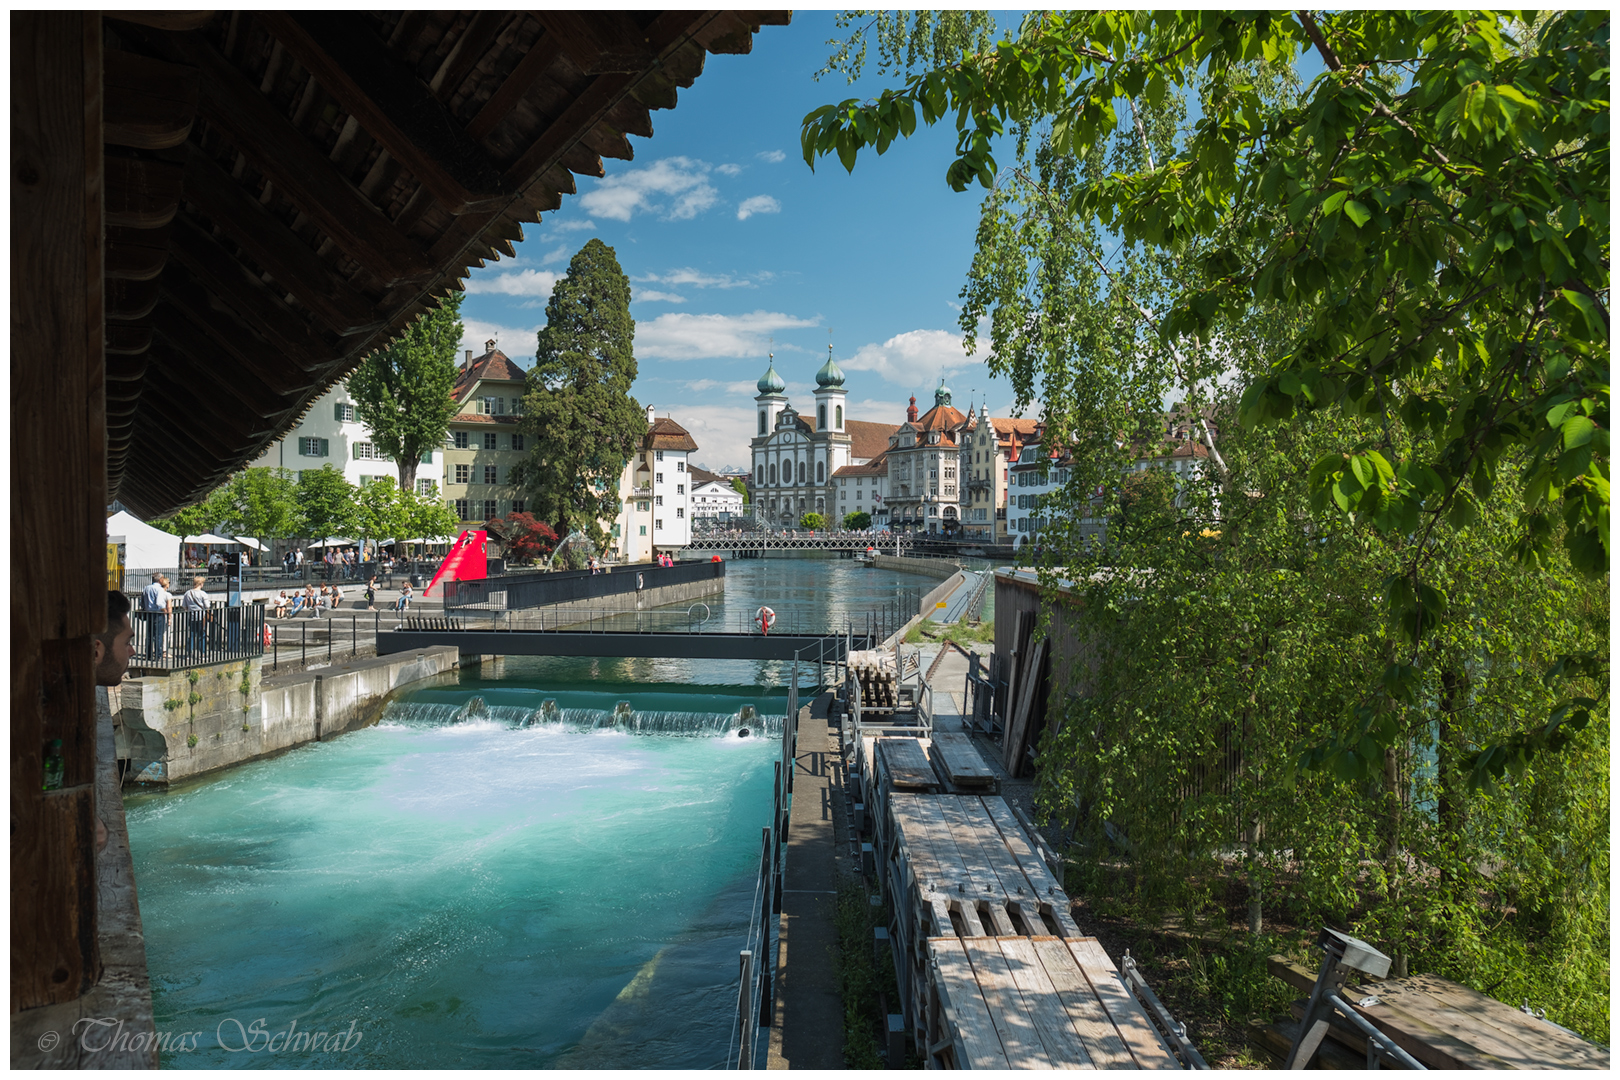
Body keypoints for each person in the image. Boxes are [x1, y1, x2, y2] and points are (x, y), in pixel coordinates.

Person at [139, 573, 172, 661]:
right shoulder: (160, 589)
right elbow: (159, 603)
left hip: (148, 612)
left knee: (149, 634)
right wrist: (164, 610)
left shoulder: (146, 588)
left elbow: (141, 602)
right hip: (157, 613)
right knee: (158, 635)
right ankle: (158, 654)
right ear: (160, 579)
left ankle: (148, 654)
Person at [181, 575, 211, 656]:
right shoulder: (203, 594)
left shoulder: (187, 593)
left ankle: (189, 653)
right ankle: (202, 653)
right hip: (201, 616)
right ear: (200, 584)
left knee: (191, 634)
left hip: (191, 616)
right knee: (202, 635)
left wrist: (189, 609)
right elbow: (207, 606)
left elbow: (184, 606)